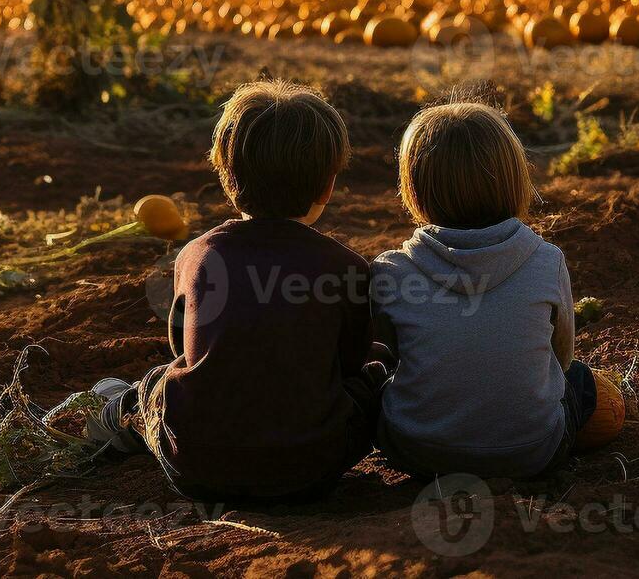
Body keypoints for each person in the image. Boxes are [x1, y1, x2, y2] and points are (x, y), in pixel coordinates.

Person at [87, 81, 384, 501]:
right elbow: (349, 362)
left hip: (196, 465)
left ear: (227, 179)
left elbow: (182, 347)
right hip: (310, 471)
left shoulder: (196, 255)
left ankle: (117, 417)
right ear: (327, 186)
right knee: (376, 377)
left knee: (161, 382)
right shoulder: (348, 268)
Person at [371, 101, 599, 478]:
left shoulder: (391, 271)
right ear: (514, 181)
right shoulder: (547, 260)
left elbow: (391, 355)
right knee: (580, 381)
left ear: (414, 188)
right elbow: (560, 361)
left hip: (416, 453)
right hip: (530, 453)